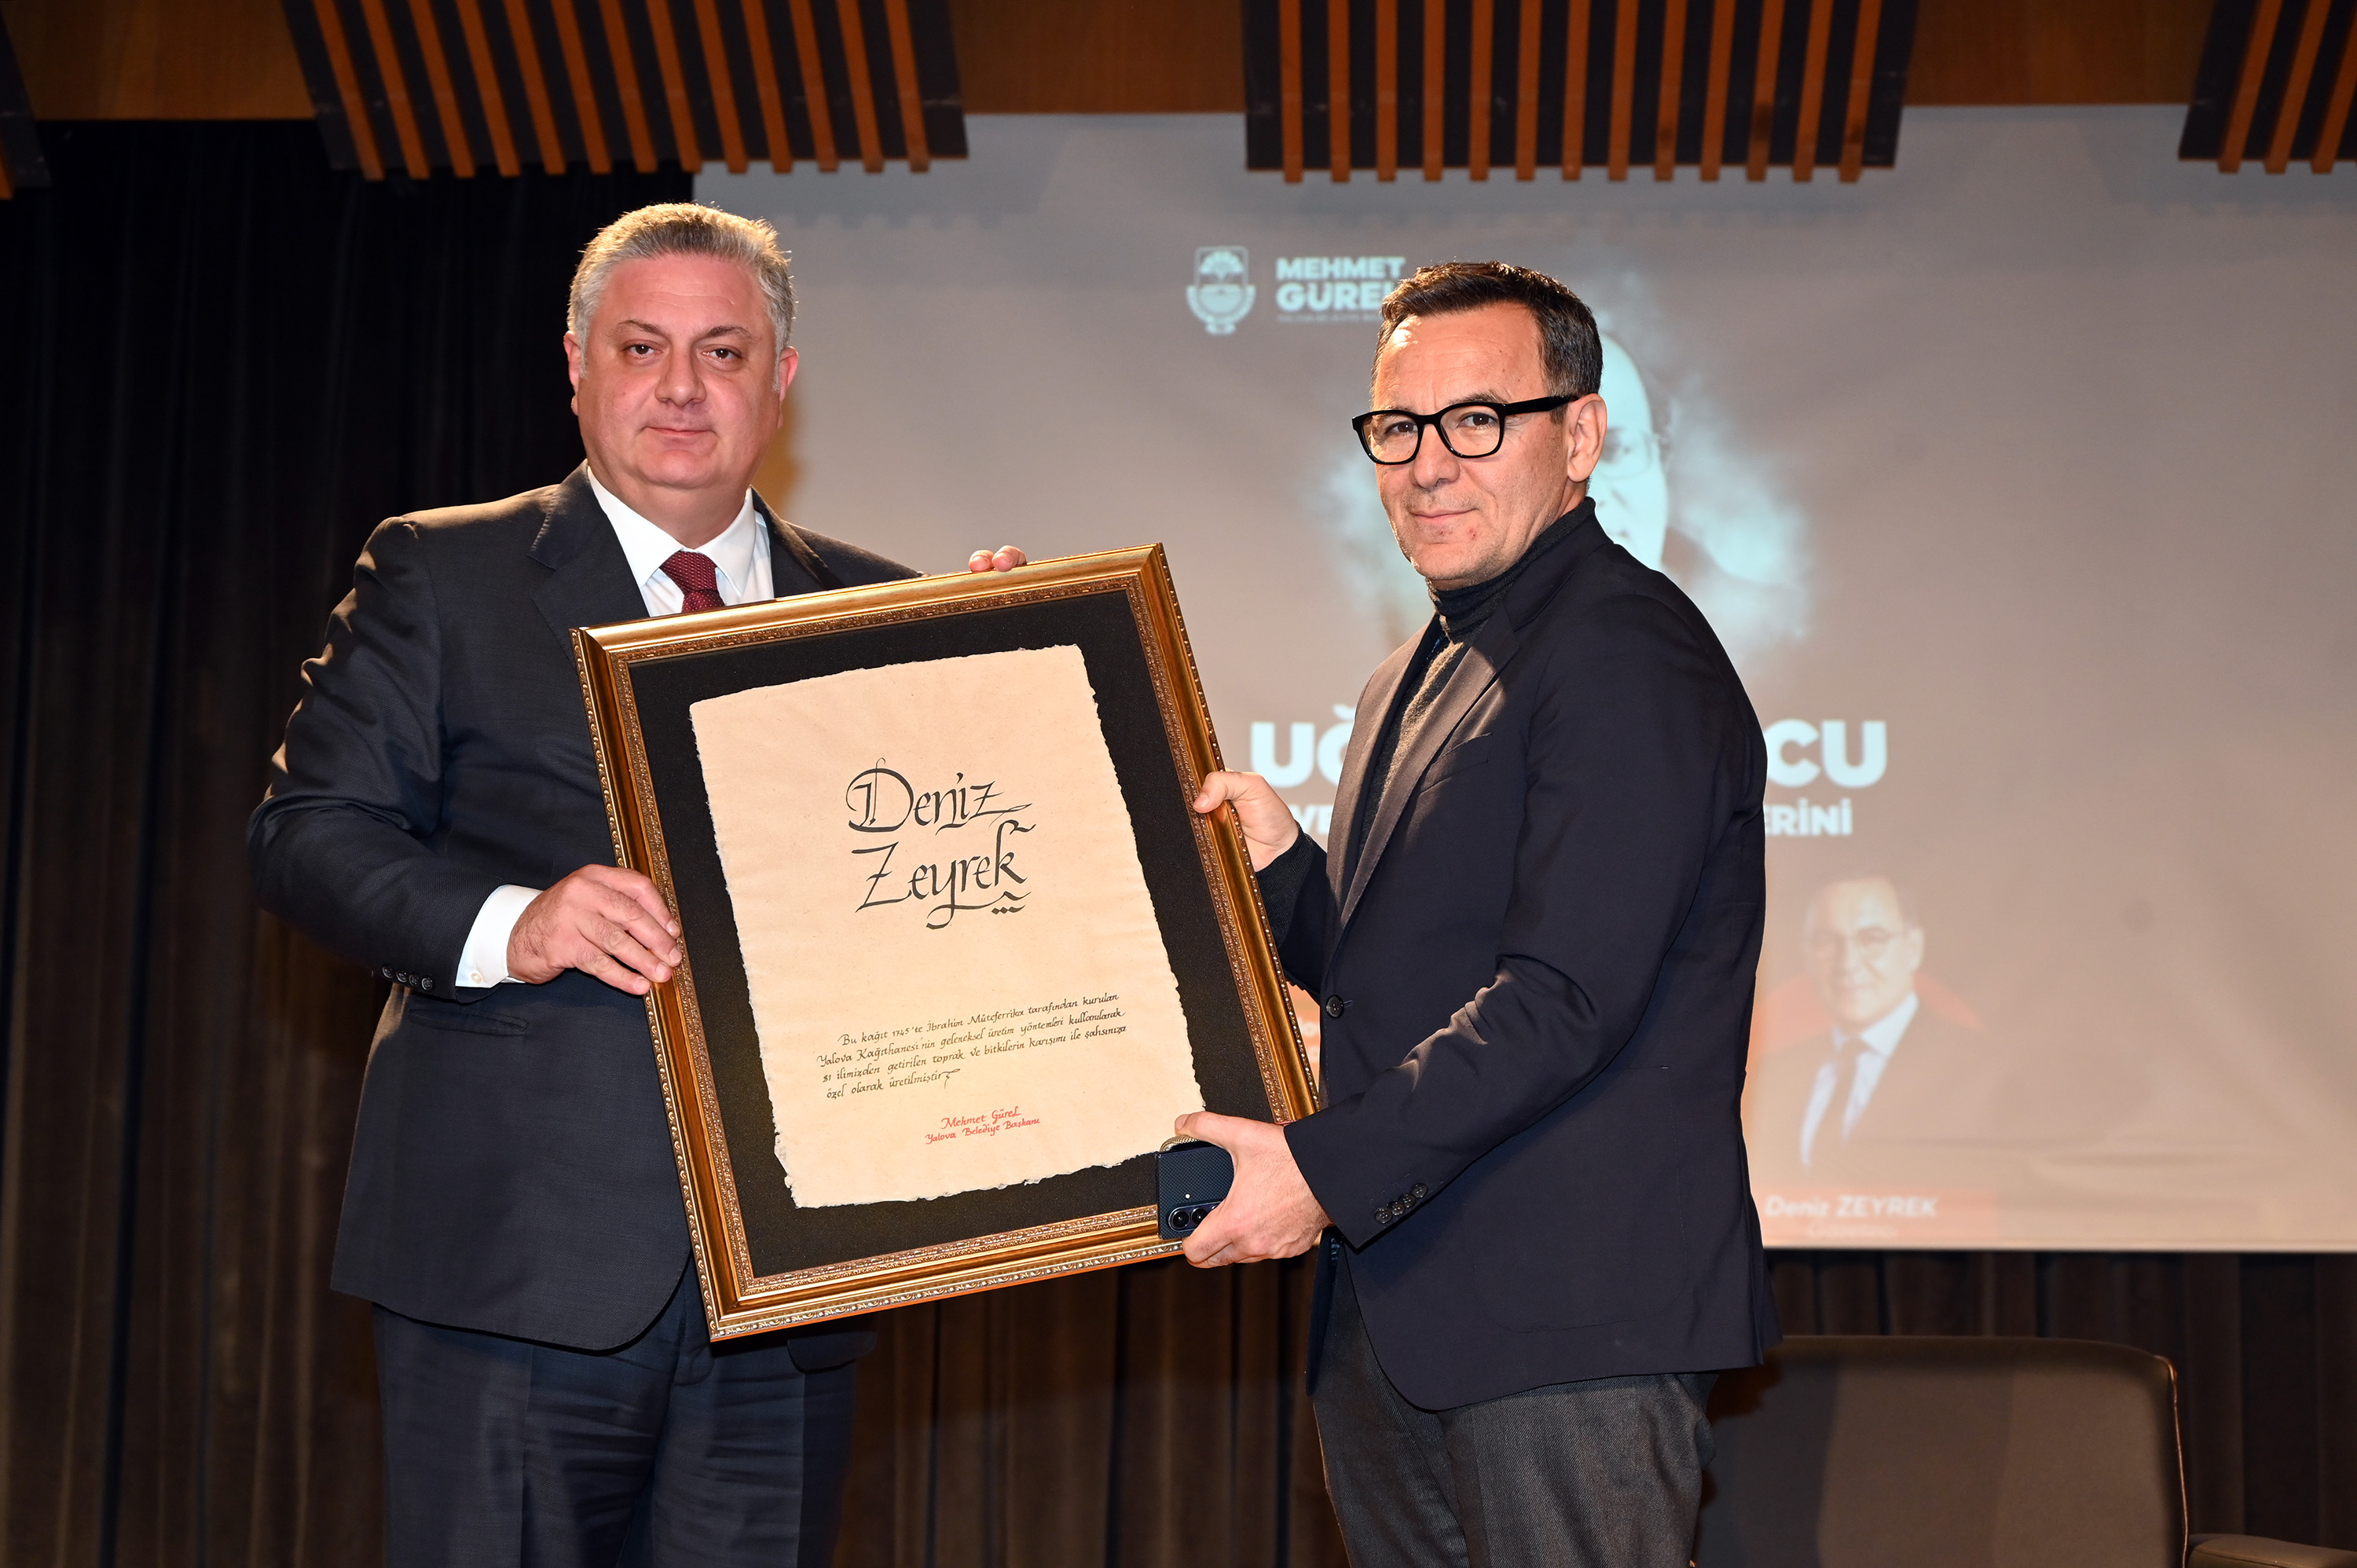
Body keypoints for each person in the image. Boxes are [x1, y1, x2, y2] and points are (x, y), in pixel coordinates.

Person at [249, 203, 1022, 1567]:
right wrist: (515, 924)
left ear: (780, 381)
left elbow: (954, 901)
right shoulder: (445, 570)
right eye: (642, 346)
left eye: (723, 352)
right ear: (577, 366)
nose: (681, 387)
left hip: (789, 1292)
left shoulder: (877, 611)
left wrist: (1003, 676)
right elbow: (308, 834)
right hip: (514, 1274)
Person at [1178, 262, 1777, 1568]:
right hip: (1406, 1316)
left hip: (1567, 1332)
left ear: (1582, 435)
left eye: (1478, 420)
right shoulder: (1412, 670)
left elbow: (1566, 998)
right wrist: (1284, 875)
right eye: (1399, 428)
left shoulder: (1626, 648)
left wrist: (1318, 1173)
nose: (1430, 464)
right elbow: (1401, 982)